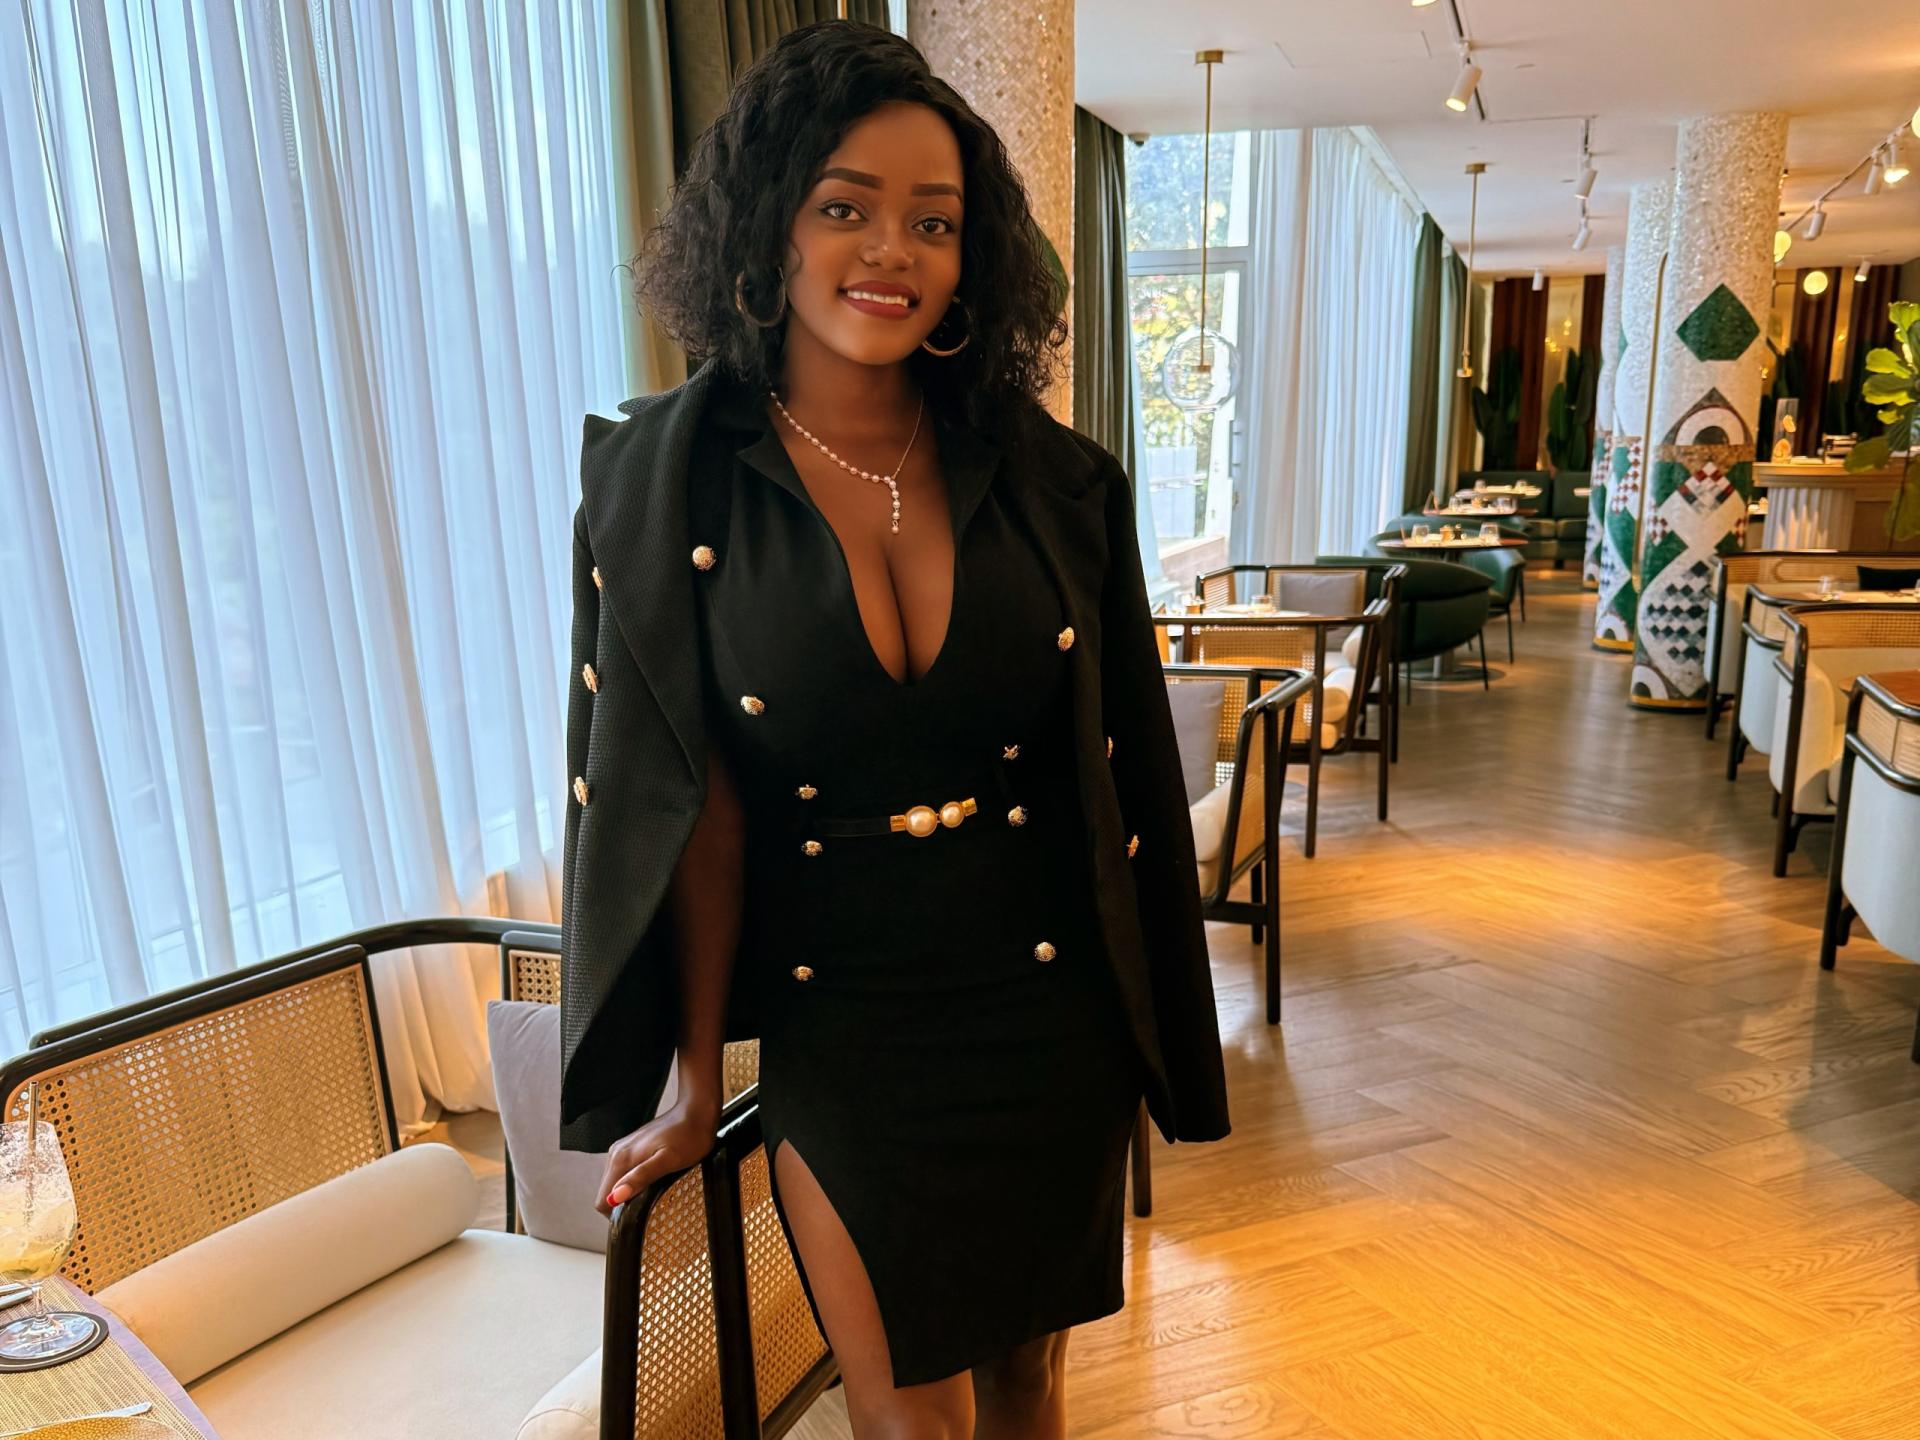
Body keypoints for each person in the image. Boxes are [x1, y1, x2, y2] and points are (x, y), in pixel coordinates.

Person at [558, 21, 1228, 1439]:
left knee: (1030, 1385)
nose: (891, 252)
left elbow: (1116, 765)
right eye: (845, 206)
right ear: (770, 226)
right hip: (842, 1021)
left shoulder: (1056, 482)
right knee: (908, 1417)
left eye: (935, 221)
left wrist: (1153, 1011)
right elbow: (697, 806)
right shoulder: (672, 490)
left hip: (1046, 1005)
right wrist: (695, 1082)